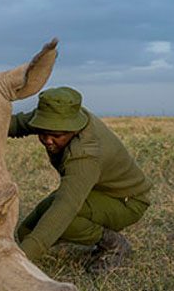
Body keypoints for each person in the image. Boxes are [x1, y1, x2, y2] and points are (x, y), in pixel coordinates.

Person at [10, 86, 151, 273]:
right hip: (95, 190)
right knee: (25, 232)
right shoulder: (58, 115)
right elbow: (15, 124)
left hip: (126, 201)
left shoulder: (85, 156)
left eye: (57, 136)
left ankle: (114, 244)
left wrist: (17, 261)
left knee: (63, 221)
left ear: (73, 129)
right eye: (42, 132)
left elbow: (64, 209)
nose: (48, 140)